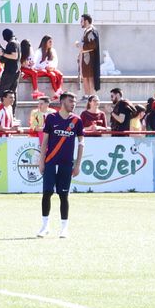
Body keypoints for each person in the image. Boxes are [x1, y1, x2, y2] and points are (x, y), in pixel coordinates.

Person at [37, 91, 83, 239]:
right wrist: (41, 160)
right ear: (63, 102)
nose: (73, 104)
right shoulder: (51, 118)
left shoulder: (77, 120)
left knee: (64, 195)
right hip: (50, 161)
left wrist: (77, 164)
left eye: (74, 101)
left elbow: (81, 143)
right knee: (47, 193)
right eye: (71, 101)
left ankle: (64, 228)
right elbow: (45, 141)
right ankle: (45, 227)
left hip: (66, 164)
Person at [76, 14, 101, 97]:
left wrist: (80, 45)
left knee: (90, 77)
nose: (80, 23)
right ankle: (87, 95)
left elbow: (93, 45)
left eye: (82, 21)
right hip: (86, 57)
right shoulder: (87, 30)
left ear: (86, 21)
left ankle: (91, 95)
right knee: (85, 77)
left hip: (89, 58)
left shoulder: (91, 31)